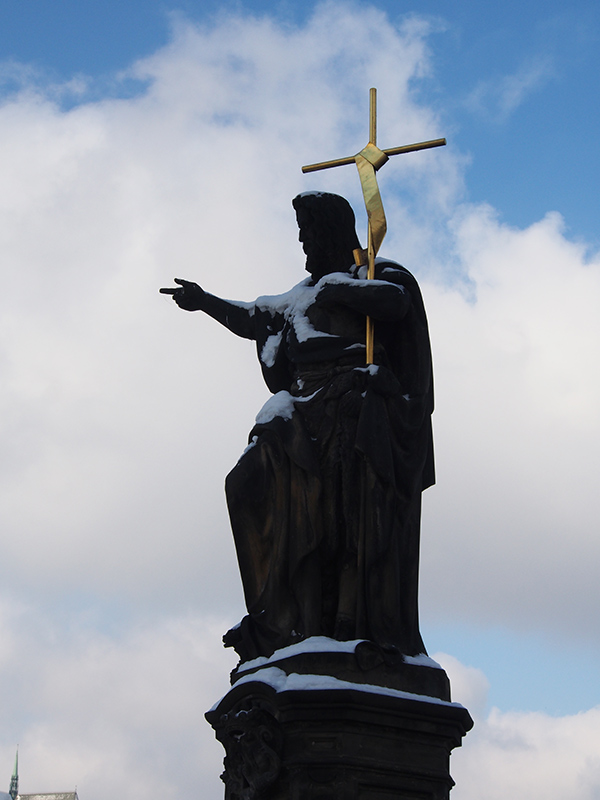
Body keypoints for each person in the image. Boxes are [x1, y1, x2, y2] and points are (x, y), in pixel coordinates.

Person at [160, 192, 434, 662]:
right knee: (246, 483)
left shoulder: (373, 274)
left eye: (309, 232)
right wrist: (204, 301)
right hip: (300, 413)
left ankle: (350, 621)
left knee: (347, 519)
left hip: (352, 409)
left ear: (331, 232)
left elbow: (396, 303)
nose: (304, 243)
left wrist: (341, 289)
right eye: (301, 234)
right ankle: (281, 615)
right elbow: (251, 316)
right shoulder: (298, 296)